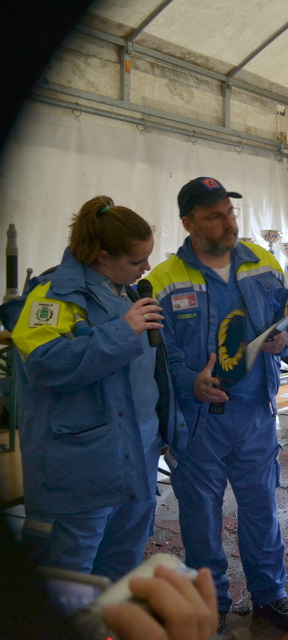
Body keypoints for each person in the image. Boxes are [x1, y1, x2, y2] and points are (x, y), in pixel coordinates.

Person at [144, 177, 288, 633]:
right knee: (200, 517)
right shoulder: (163, 280)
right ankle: (209, 601)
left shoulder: (264, 262)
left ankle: (270, 595)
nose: (228, 223)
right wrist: (189, 382)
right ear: (189, 223)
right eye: (215, 216)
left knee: (261, 510)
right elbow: (160, 354)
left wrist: (284, 339)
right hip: (197, 421)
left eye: (230, 213)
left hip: (255, 413)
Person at [10, 195, 171, 582]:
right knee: (68, 582)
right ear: (102, 257)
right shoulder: (53, 298)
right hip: (78, 475)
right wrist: (122, 331)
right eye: (136, 261)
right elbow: (45, 365)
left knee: (118, 578)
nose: (147, 268)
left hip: (135, 465)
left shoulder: (125, 292)